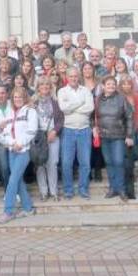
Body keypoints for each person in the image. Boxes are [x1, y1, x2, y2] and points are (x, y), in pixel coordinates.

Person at [0, 87, 38, 224]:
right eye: (15, 97)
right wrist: (12, 143)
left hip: (23, 151)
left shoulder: (30, 111)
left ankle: (8, 211)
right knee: (18, 180)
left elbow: (32, 131)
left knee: (13, 180)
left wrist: (20, 143)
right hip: (12, 151)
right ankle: (28, 208)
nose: (17, 99)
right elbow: (1, 133)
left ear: (25, 97)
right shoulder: (10, 112)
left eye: (20, 97)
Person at [93, 75, 133, 202]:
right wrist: (93, 127)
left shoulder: (121, 98)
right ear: (103, 86)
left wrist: (129, 135)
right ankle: (113, 188)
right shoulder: (98, 99)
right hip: (104, 136)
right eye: (108, 84)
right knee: (109, 163)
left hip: (118, 136)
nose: (111, 86)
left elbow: (130, 117)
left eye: (113, 84)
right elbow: (92, 116)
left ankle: (121, 189)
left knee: (118, 162)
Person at [57, 67, 94, 199]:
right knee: (66, 163)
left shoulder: (86, 90)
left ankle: (83, 189)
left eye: (75, 76)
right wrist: (80, 103)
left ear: (79, 77)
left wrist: (72, 107)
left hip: (84, 130)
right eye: (71, 76)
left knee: (85, 163)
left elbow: (90, 108)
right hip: (68, 131)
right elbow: (63, 108)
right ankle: (68, 190)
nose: (73, 78)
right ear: (67, 77)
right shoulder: (62, 91)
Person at [34, 77, 64, 201]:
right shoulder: (33, 101)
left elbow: (61, 119)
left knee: (52, 163)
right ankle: (43, 191)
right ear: (38, 87)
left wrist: (55, 131)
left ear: (51, 87)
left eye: (47, 84)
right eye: (42, 84)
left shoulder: (56, 101)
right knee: (40, 164)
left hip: (52, 135)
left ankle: (53, 191)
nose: (45, 86)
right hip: (38, 136)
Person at [119, 75, 138, 199]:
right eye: (124, 84)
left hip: (132, 132)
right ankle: (124, 188)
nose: (126, 86)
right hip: (119, 132)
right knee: (123, 161)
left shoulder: (136, 97)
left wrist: (134, 130)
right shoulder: (118, 97)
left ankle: (130, 191)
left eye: (128, 83)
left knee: (130, 162)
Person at [81, 61, 104, 182]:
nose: (87, 71)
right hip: (84, 117)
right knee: (86, 146)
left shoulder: (99, 84)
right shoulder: (79, 85)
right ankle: (88, 170)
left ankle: (98, 170)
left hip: (98, 116)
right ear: (82, 71)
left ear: (93, 70)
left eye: (89, 68)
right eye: (85, 69)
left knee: (97, 145)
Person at [0, 85, 13, 192]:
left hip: (14, 142)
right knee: (4, 168)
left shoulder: (13, 105)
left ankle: (17, 191)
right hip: (2, 143)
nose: (0, 95)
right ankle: (7, 191)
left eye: (3, 93)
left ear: (7, 94)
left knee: (15, 169)